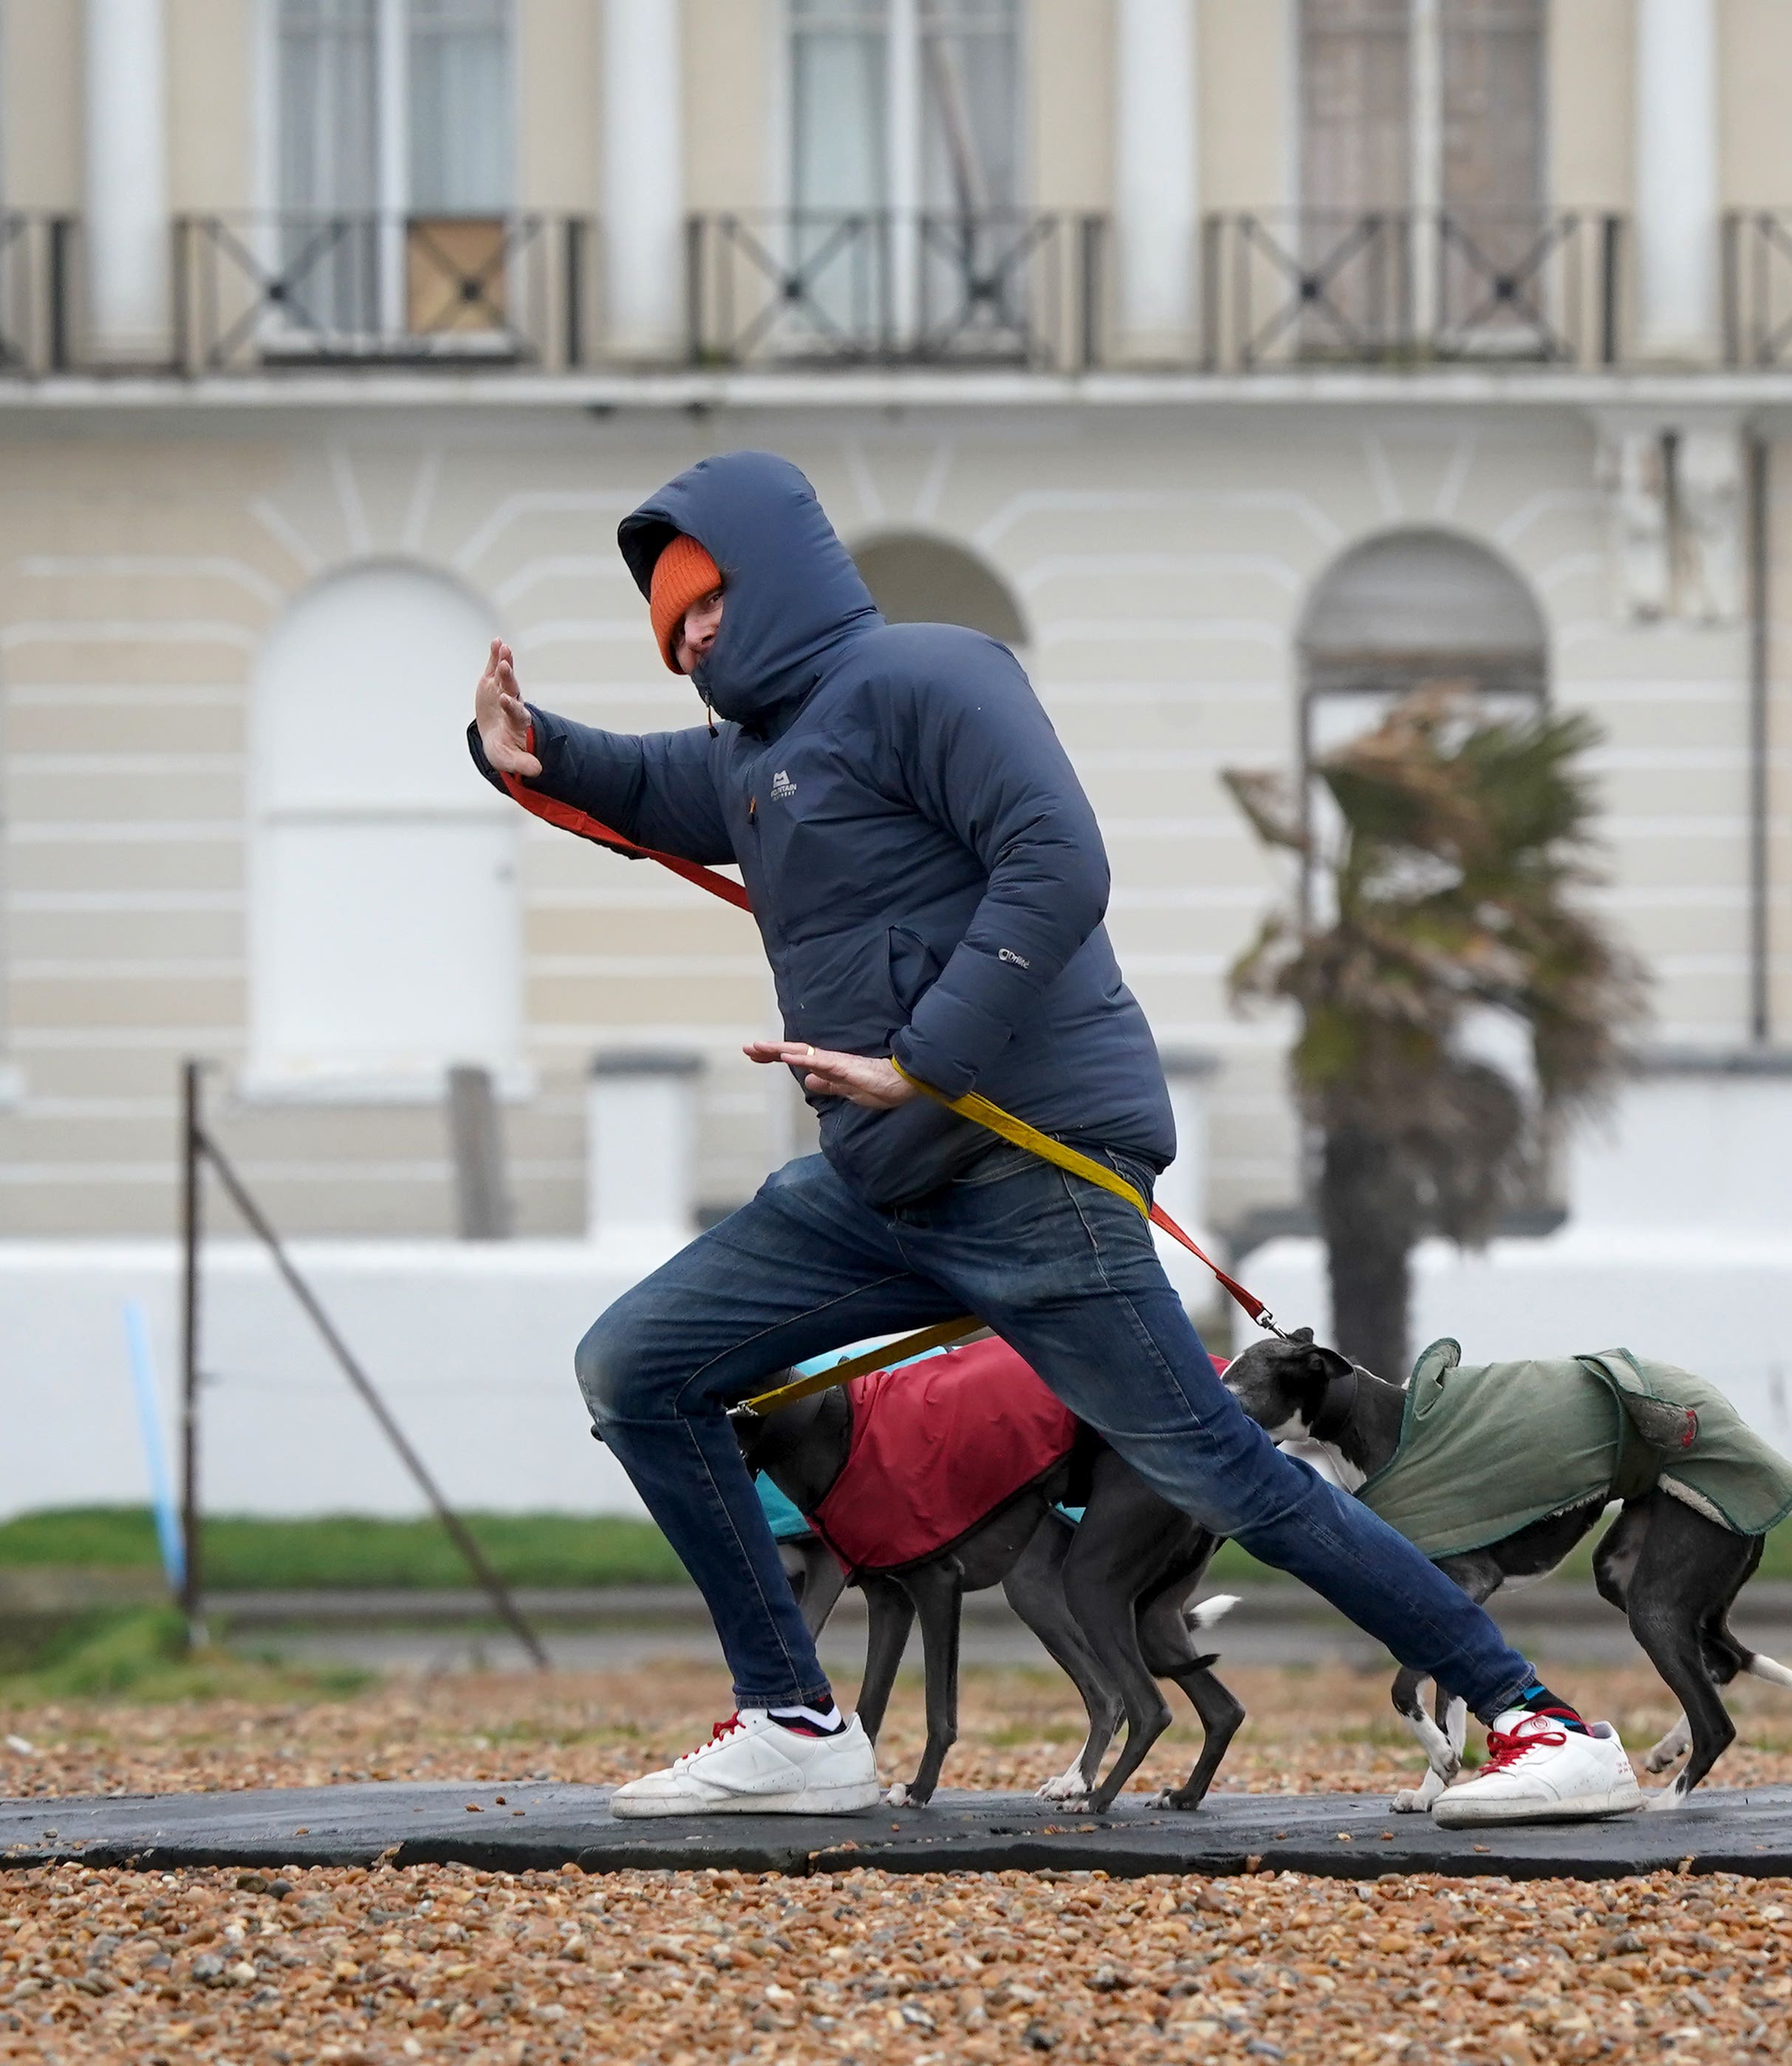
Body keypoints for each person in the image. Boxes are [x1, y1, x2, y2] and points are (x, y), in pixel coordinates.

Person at [468, 450, 1643, 1825]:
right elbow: (636, 779)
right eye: (670, 625)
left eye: (707, 597)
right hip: (880, 1187)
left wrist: (924, 1062)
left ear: (776, 567)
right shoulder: (756, 757)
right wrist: (523, 746)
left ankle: (1542, 1724)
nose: (693, 635)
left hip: (1033, 1171)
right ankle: (793, 1720)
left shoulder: (933, 676)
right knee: (636, 1365)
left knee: (1220, 1465)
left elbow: (1060, 856)